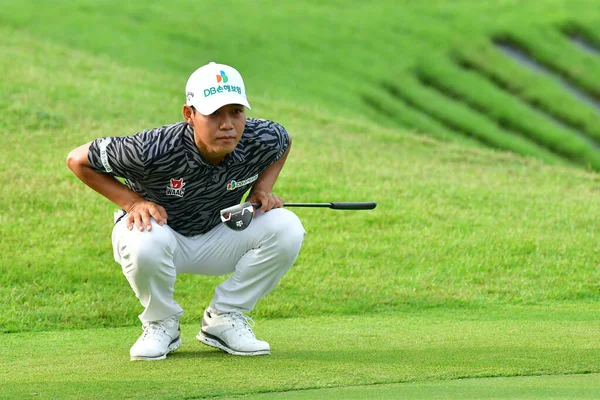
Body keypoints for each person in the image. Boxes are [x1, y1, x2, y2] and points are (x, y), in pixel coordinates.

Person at [66, 62, 306, 361]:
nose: (227, 124)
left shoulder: (262, 137)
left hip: (219, 234)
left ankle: (224, 319)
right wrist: (132, 203)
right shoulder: (151, 148)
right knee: (144, 234)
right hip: (160, 237)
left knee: (287, 226)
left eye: (235, 111)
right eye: (214, 114)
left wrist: (262, 189)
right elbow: (77, 159)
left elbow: (283, 142)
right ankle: (161, 324)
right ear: (189, 115)